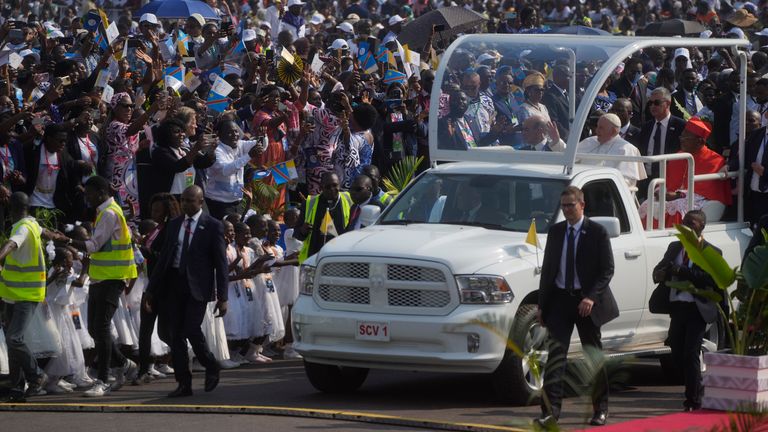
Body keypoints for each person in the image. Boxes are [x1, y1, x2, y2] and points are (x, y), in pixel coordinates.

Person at [536, 186, 618, 427]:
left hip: (587, 303)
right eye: (563, 206)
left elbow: (607, 270)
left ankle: (600, 409)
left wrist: (591, 297)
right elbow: (548, 270)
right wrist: (542, 305)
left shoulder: (597, 232)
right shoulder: (556, 232)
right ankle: (550, 412)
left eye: (571, 205)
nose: (567, 210)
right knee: (555, 358)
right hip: (560, 300)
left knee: (593, 356)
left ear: (582, 205)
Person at [143, 185, 228, 397]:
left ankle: (211, 364)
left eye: (191, 201)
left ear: (200, 202)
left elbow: (221, 263)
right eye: (183, 200)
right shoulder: (174, 225)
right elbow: (163, 259)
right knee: (176, 336)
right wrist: (150, 290)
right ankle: (183, 383)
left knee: (191, 329)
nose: (186, 204)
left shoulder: (212, 226)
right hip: (174, 285)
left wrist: (223, 297)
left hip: (198, 287)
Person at [61, 176, 139, 397]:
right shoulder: (107, 211)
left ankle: (103, 380)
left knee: (101, 327)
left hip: (111, 278)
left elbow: (93, 246)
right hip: (101, 276)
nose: (87, 198)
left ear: (101, 192)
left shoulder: (109, 213)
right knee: (96, 328)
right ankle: (124, 364)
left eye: (89, 194)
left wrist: (65, 240)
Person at [652, 210, 719, 412]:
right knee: (676, 351)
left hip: (697, 309)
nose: (688, 226)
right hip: (677, 307)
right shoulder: (674, 247)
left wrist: (682, 271)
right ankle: (698, 384)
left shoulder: (711, 251)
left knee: (691, 352)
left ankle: (693, 400)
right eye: (685, 222)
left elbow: (709, 279)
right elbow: (660, 270)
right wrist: (661, 273)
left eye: (692, 223)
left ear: (702, 227)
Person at [0, 192, 63, 402]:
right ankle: (17, 387)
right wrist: (56, 235)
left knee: (14, 338)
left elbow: (12, 244)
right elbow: (44, 232)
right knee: (13, 342)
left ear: (11, 208)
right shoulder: (33, 223)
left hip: (26, 294)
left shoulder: (22, 228)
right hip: (13, 293)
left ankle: (36, 375)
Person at [639, 118, 731, 227]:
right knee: (647, 204)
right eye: (681, 136)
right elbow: (666, 179)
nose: (681, 140)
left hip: (696, 201)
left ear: (700, 141)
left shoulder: (714, 160)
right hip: (672, 197)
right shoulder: (679, 155)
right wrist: (660, 191)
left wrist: (679, 195)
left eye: (686, 137)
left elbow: (705, 192)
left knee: (678, 207)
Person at [295, 172, 354, 263]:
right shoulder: (309, 203)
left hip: (341, 259)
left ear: (339, 184)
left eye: (335, 185)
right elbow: (297, 234)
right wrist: (303, 230)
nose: (332, 189)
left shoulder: (350, 199)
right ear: (321, 187)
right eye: (327, 187)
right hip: (315, 259)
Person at [577, 113, 647, 188]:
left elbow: (626, 181)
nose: (596, 131)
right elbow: (570, 159)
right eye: (597, 127)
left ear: (613, 131)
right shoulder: (589, 141)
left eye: (601, 128)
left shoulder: (627, 149)